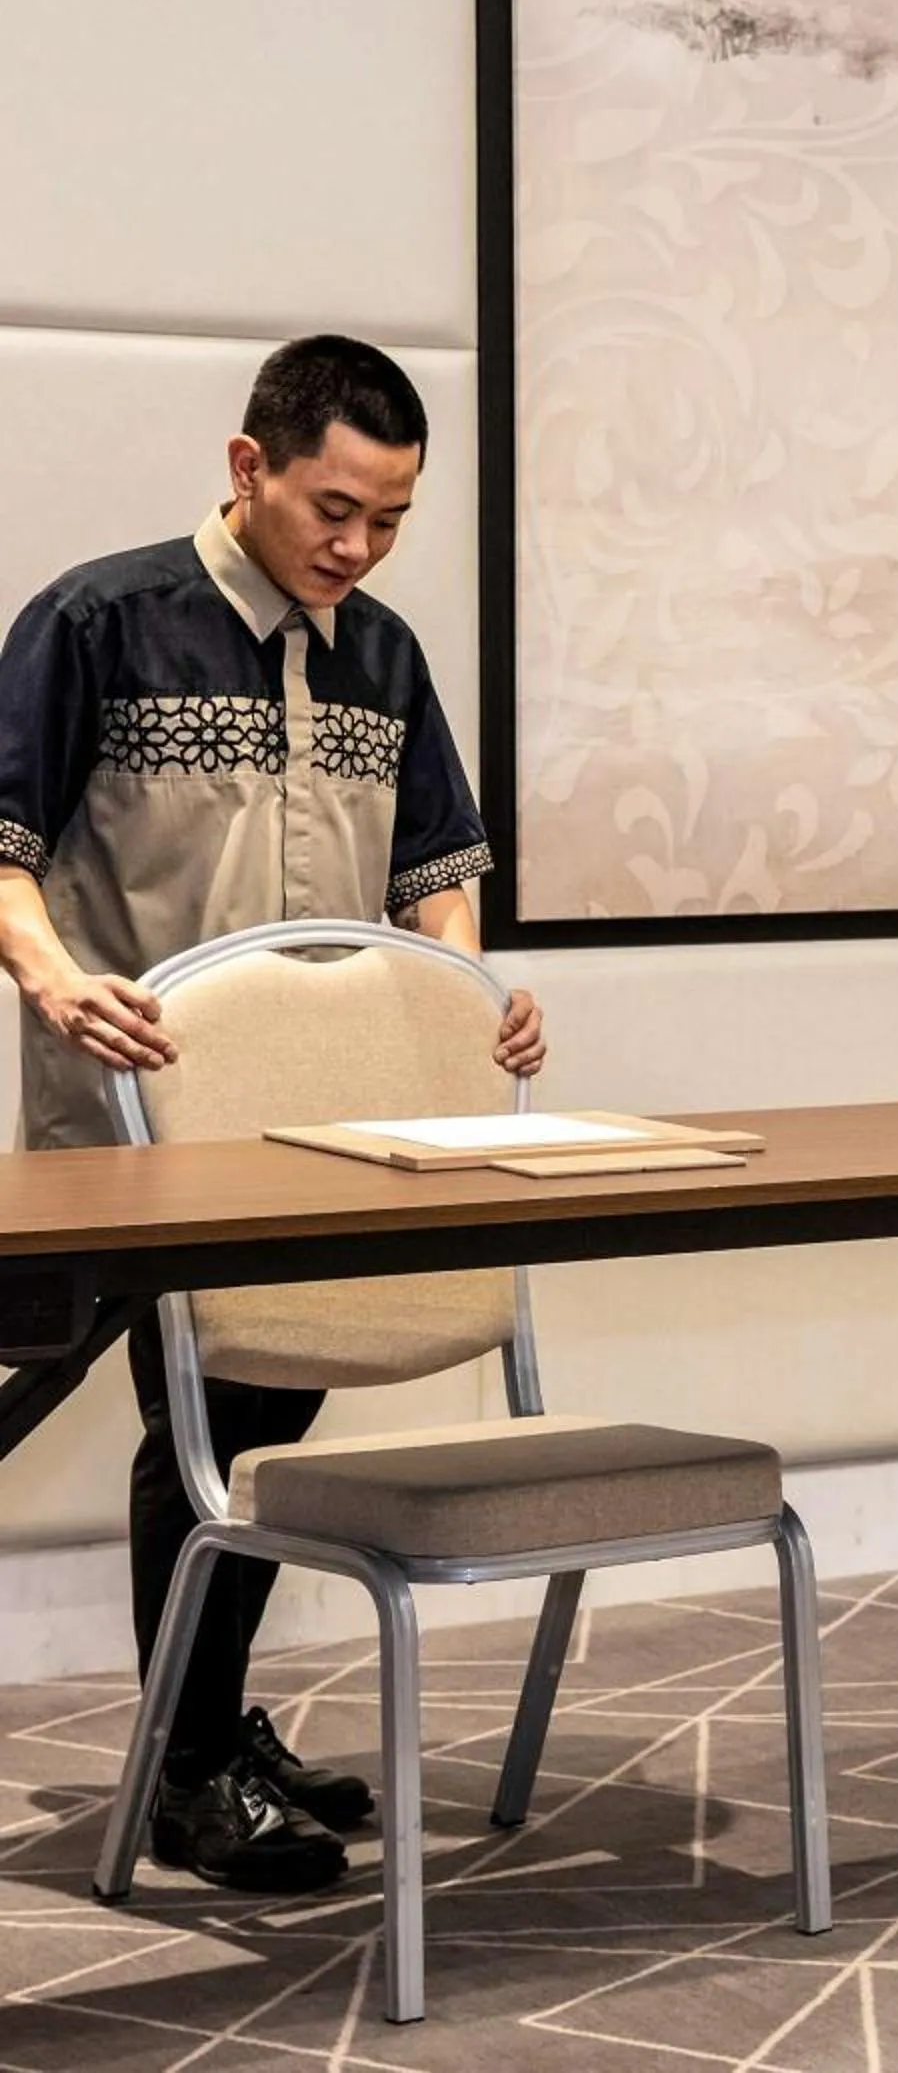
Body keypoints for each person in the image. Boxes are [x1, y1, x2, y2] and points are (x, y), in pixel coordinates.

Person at [0, 337, 545, 1892]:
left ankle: (207, 1729)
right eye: (334, 507)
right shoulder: (98, 619)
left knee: (255, 1412)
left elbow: (439, 867)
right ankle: (186, 1767)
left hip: (335, 1131)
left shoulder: (383, 653)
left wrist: (470, 1002)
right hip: (137, 1121)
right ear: (249, 467)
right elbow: (4, 840)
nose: (357, 547)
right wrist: (50, 978)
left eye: (389, 519)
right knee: (192, 1415)